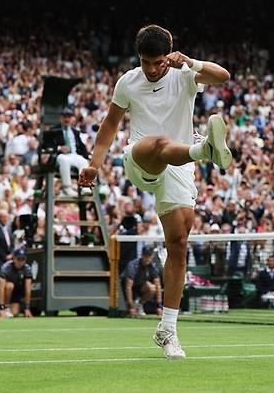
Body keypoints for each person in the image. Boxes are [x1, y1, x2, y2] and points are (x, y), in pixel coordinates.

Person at [79, 24, 231, 359]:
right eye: (145, 62)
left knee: (178, 243)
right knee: (161, 144)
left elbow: (222, 76)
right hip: (141, 158)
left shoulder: (184, 73)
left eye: (158, 62)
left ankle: (168, 330)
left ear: (169, 55)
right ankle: (203, 150)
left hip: (178, 169)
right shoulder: (128, 81)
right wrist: (95, 163)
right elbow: (109, 125)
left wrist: (188, 63)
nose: (151, 69)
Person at [42, 107, 91, 196]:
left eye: (68, 117)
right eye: (65, 117)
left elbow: (82, 147)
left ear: (72, 118)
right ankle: (67, 188)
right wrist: (59, 148)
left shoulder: (75, 132)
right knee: (63, 160)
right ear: (61, 118)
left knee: (84, 162)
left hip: (74, 155)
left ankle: (85, 186)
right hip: (60, 156)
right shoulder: (53, 130)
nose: (67, 119)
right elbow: (45, 144)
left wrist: (87, 156)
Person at [122, 245, 163, 317]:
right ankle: (132, 306)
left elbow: (158, 285)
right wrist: (130, 306)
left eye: (149, 256)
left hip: (141, 286)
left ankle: (139, 305)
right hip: (128, 288)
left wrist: (159, 306)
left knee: (152, 288)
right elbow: (128, 287)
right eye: (145, 256)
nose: (147, 258)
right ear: (142, 255)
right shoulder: (133, 265)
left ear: (152, 256)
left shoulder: (153, 266)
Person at [0, 247, 33, 318]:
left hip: (17, 291)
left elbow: (28, 289)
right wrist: (2, 307)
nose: (20, 262)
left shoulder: (27, 269)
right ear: (14, 258)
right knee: (10, 285)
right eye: (18, 259)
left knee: (15, 314)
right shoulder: (6, 268)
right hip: (5, 291)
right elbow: (1, 288)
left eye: (23, 259)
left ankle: (12, 308)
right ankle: (4, 308)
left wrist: (27, 308)